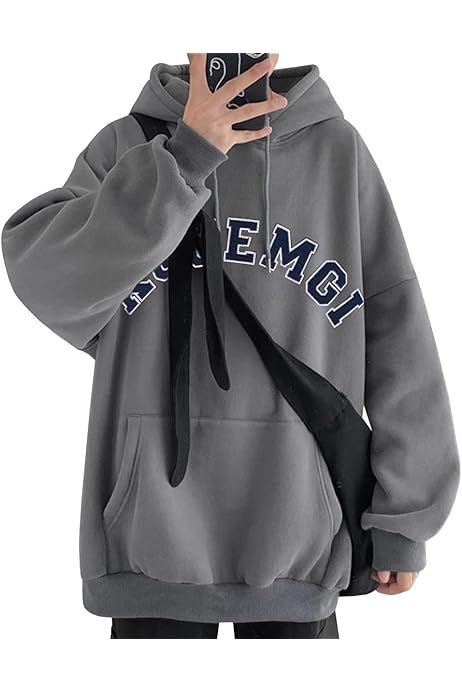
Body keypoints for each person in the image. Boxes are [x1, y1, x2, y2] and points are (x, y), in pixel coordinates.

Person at [1, 53, 459, 640]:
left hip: (296, 533)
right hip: (152, 535)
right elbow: (44, 274)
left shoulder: (334, 152)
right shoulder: (130, 145)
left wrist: (404, 516)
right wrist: (184, 158)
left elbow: (396, 328)